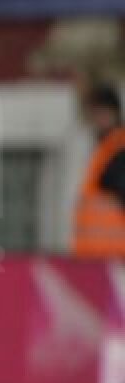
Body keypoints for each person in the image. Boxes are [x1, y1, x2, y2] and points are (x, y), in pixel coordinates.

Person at [72, 84, 125, 257]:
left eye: (102, 113)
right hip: (97, 257)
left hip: (114, 256)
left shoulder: (118, 151)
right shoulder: (105, 149)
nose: (97, 119)